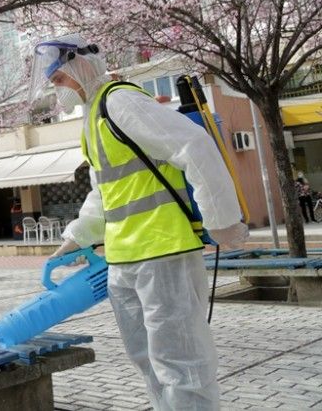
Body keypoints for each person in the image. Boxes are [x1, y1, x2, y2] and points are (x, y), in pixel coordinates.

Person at [30, 33, 248, 411]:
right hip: (125, 259)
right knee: (147, 360)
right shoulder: (95, 117)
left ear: (81, 65)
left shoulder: (121, 102)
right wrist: (76, 237)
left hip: (165, 250)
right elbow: (106, 192)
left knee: (180, 361)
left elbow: (194, 146)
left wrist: (222, 220)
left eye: (60, 79)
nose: (59, 91)